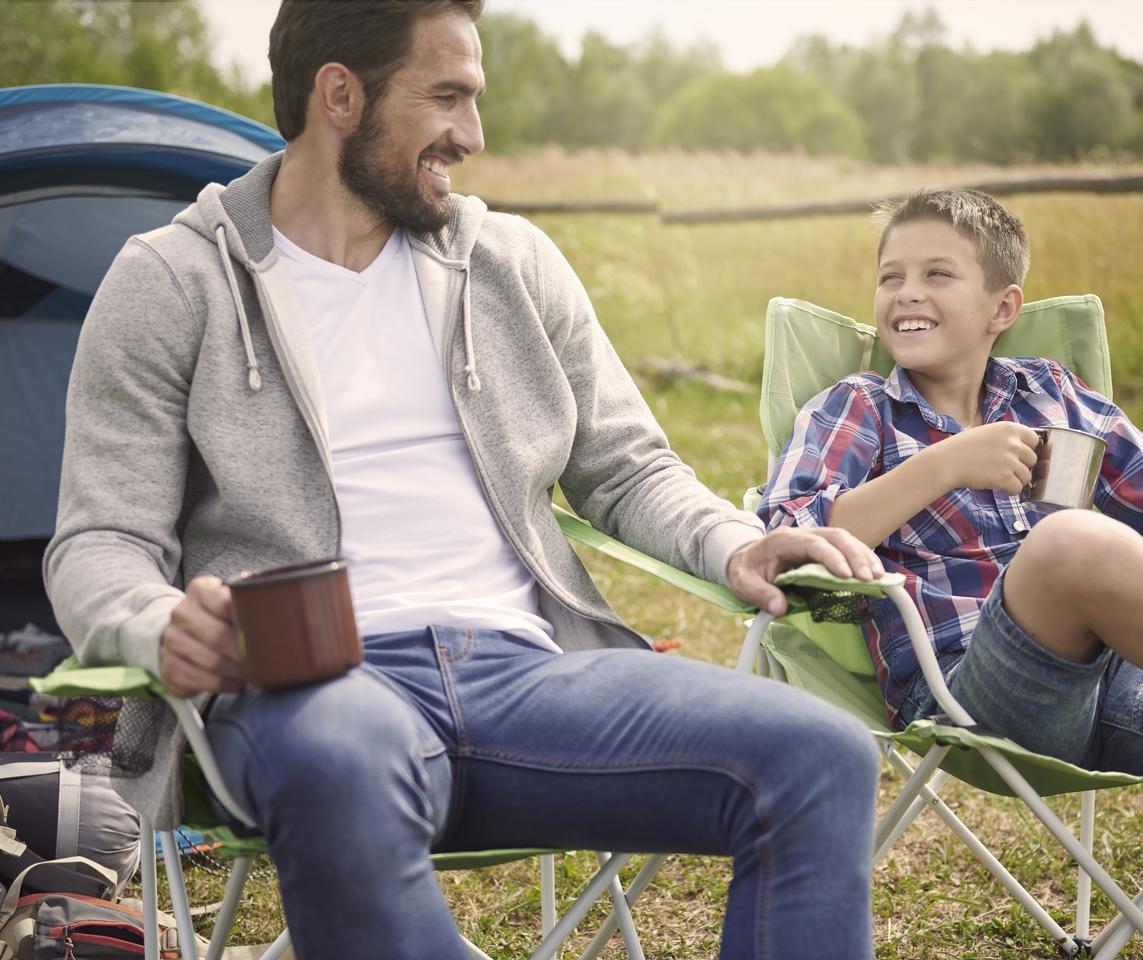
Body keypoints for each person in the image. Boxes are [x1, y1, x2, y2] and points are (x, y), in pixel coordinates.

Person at [44, 2, 885, 958]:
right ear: (340, 95)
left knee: (820, 756)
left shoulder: (511, 262)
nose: (473, 136)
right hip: (314, 689)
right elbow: (100, 542)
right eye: (447, 97)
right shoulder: (172, 280)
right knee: (342, 760)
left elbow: (629, 466)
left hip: (526, 676)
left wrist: (734, 542)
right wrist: (160, 628)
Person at [758, 186, 1143, 954]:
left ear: (1003, 308)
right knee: (1073, 544)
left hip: (1118, 681)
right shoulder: (858, 407)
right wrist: (945, 465)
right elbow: (793, 535)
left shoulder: (1050, 394)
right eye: (890, 275)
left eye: (938, 274)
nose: (906, 292)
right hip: (970, 691)